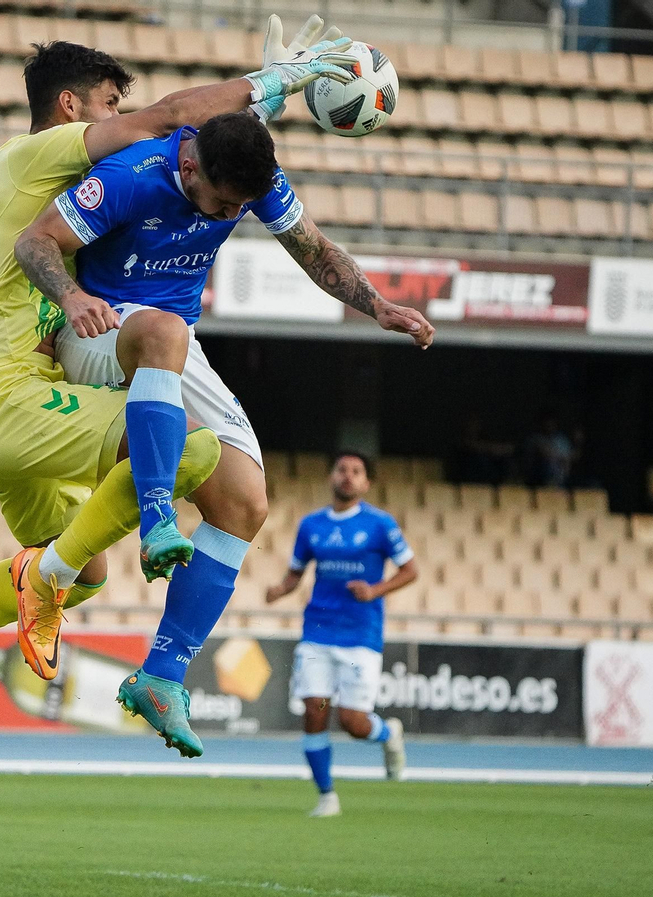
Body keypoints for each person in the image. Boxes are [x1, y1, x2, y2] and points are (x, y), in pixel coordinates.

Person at [0, 30, 359, 740]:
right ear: (69, 108)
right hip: (14, 399)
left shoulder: (40, 187)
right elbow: (170, 120)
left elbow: (192, 160)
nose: (120, 116)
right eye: (108, 105)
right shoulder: (33, 156)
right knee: (188, 449)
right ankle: (86, 571)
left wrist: (255, 124)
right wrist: (272, 81)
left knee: (85, 572)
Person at [31, 112, 433, 753]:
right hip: (97, 331)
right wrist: (72, 298)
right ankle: (158, 518)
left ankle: (161, 675)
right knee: (164, 329)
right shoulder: (132, 176)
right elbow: (35, 241)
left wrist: (377, 305)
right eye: (221, 203)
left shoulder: (253, 177)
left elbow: (315, 250)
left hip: (171, 342)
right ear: (189, 167)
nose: (226, 216)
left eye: (237, 208)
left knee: (247, 500)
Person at [267, 452, 419, 817]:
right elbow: (296, 573)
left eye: (356, 472)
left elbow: (411, 570)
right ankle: (327, 796)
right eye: (342, 470)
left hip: (360, 635)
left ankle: (388, 735)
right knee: (314, 712)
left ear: (366, 483)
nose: (348, 477)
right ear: (332, 477)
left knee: (353, 723)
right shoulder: (311, 525)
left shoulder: (380, 524)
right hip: (318, 633)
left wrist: (375, 590)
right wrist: (278, 590)